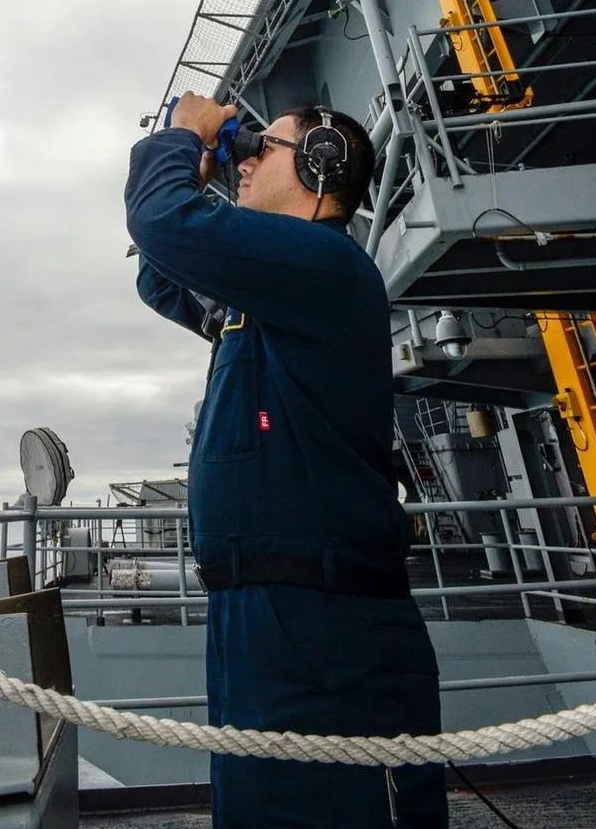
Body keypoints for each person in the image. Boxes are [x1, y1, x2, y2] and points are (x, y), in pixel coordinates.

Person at [125, 93, 446, 829]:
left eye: (259, 149)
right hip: (255, 619)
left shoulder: (326, 266)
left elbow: (162, 222)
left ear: (319, 164)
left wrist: (181, 141)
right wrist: (202, 158)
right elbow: (160, 273)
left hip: (326, 624)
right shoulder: (273, 298)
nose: (244, 162)